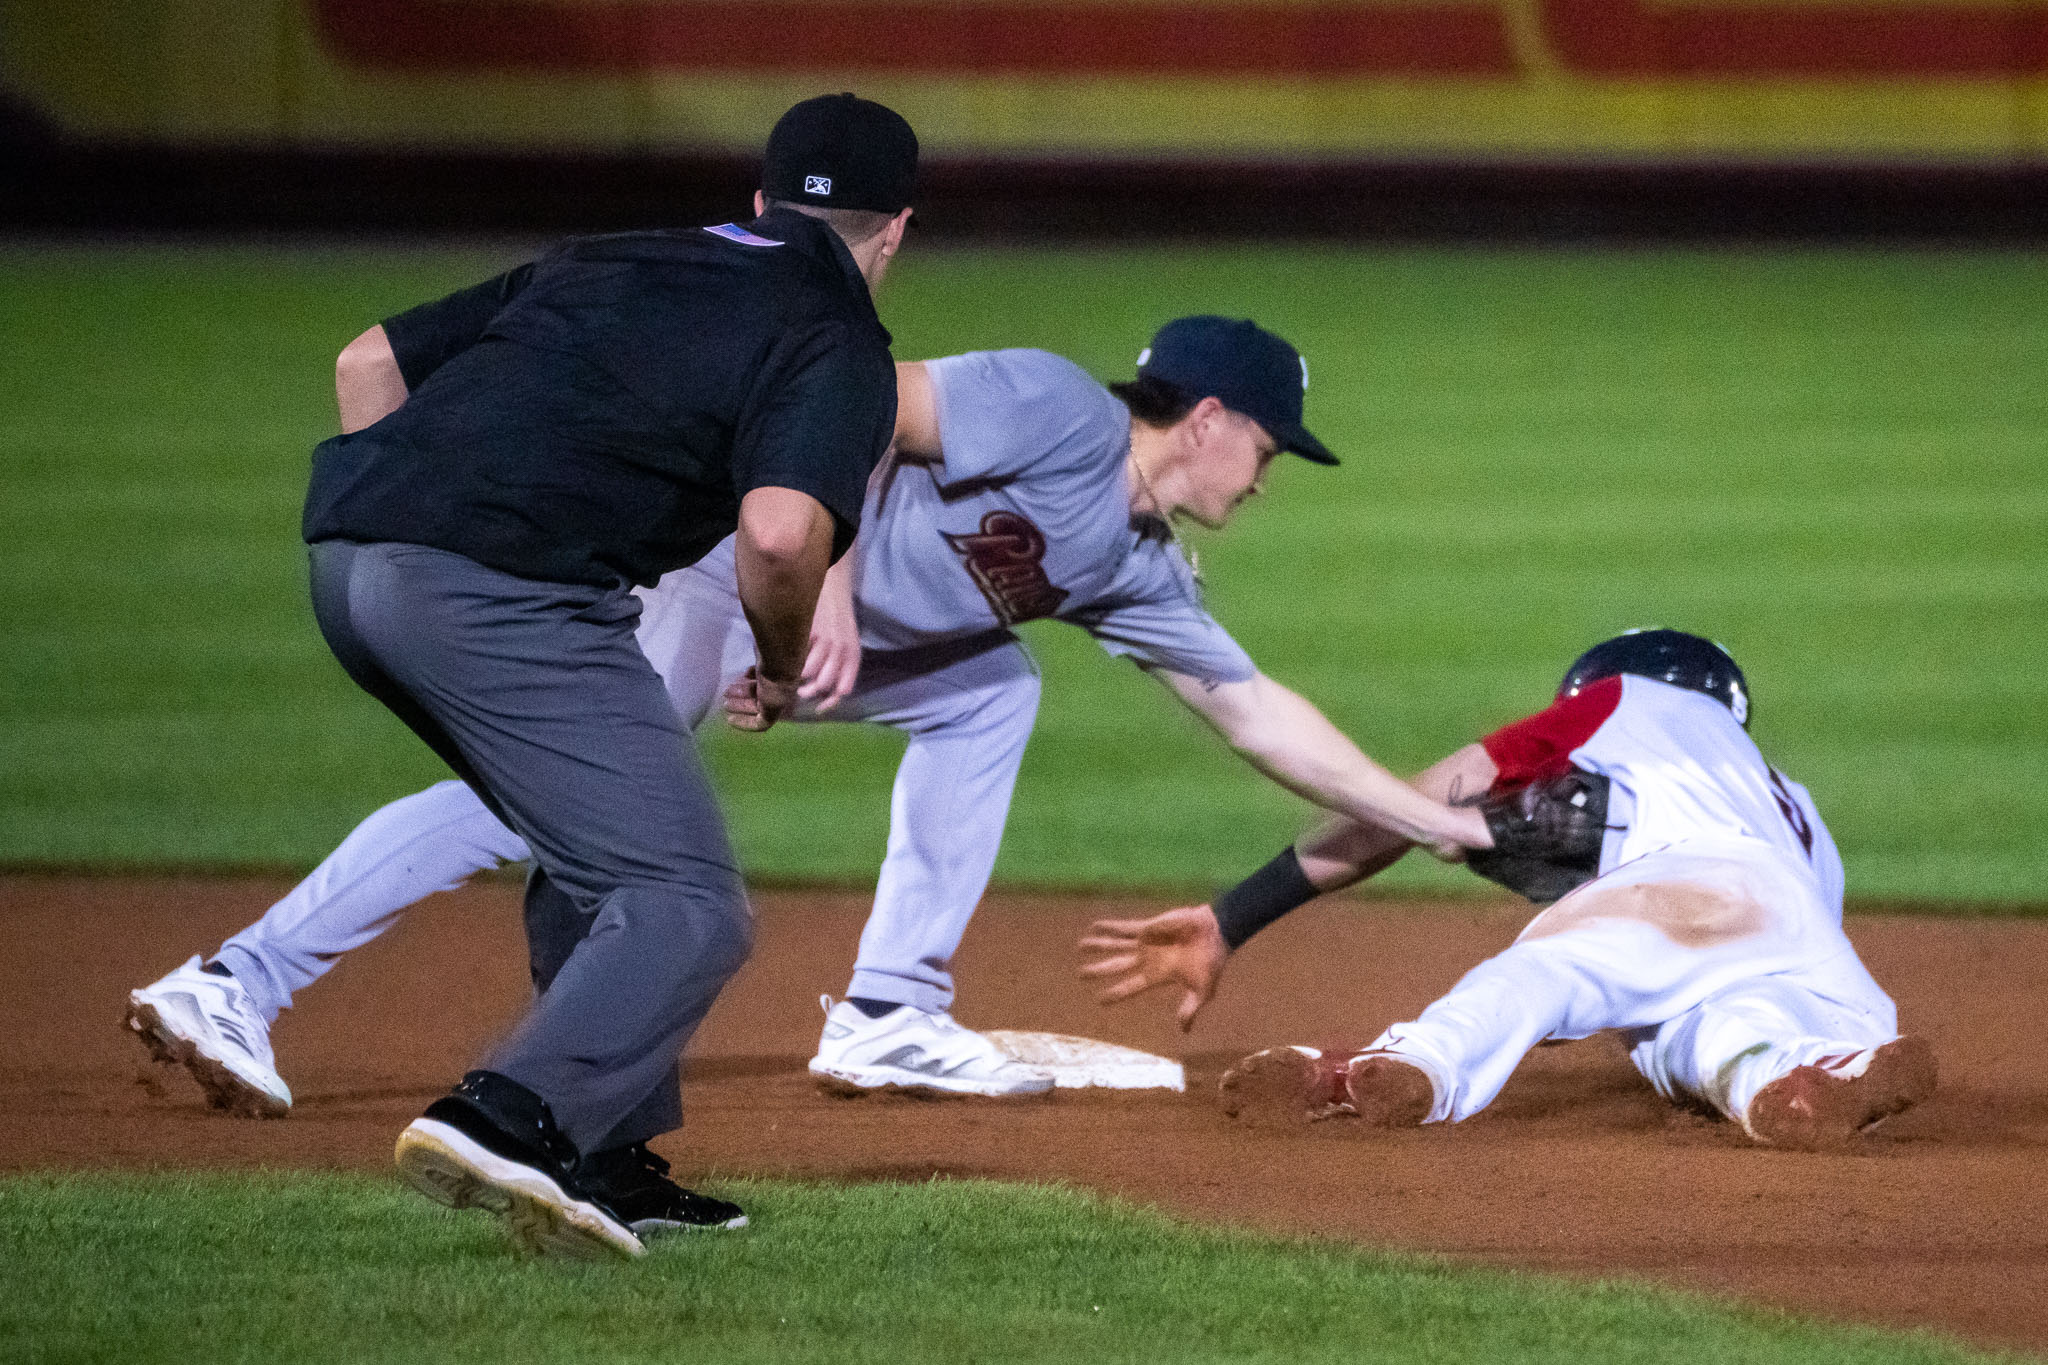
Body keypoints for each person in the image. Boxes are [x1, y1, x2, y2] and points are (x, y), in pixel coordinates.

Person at [127, 316, 1493, 1121]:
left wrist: (1431, 821)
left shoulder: (1133, 563)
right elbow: (856, 403)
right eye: (1268, 446)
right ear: (1207, 419)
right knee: (535, 805)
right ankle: (237, 981)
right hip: (718, 571)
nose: (1266, 477)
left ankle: (892, 1008)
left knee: (993, 693)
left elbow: (1258, 716)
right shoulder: (1056, 407)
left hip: (804, 641)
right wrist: (820, 589)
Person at [125, 92, 919, 1260]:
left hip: (348, 561)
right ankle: (509, 1117)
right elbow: (779, 534)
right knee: (688, 903)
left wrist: (409, 535)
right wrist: (783, 663)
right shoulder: (838, 334)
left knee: (591, 854)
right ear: (895, 230)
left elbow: (368, 361)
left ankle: (608, 1160)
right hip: (504, 595)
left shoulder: (611, 255)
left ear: (758, 200)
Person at [1079, 630, 1936, 1151]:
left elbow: (1399, 811)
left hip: (1688, 885)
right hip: (1822, 961)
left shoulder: (1621, 701)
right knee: (1705, 1034)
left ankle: (1405, 1063)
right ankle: (1800, 1074)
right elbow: (1787, 930)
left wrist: (1233, 916)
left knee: (1543, 973)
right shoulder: (1797, 807)